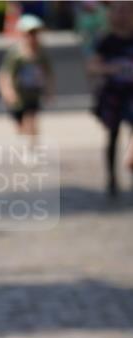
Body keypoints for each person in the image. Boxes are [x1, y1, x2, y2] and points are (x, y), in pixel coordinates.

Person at [87, 0, 133, 197]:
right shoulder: (106, 40)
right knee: (113, 136)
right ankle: (111, 178)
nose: (122, 15)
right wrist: (110, 68)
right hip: (114, 94)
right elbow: (92, 66)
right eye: (118, 11)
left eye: (126, 11)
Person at [0, 14, 54, 142]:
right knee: (21, 123)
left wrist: (49, 91)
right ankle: (26, 140)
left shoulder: (41, 52)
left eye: (35, 33)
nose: (32, 37)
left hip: (33, 92)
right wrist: (8, 92)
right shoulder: (16, 54)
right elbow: (5, 74)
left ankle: (33, 146)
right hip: (19, 94)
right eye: (29, 33)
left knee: (32, 119)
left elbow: (48, 72)